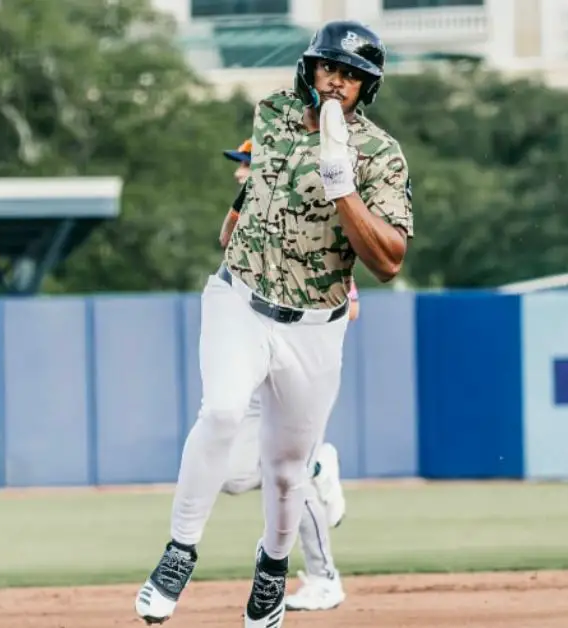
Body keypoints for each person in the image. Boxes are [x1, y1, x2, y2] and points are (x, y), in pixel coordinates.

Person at [134, 19, 412, 628]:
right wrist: (234, 222)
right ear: (310, 70)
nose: (335, 82)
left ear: (368, 87)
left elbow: (390, 259)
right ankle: (179, 552)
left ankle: (274, 567)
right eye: (327, 69)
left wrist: (345, 190)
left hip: (314, 326)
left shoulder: (380, 155)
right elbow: (248, 200)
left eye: (350, 75)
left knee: (287, 471)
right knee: (222, 411)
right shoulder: (273, 113)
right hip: (239, 297)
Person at [217, 137, 353, 612]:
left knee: (287, 476)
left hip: (298, 366)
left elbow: (346, 303)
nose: (239, 172)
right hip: (252, 367)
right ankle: (317, 464)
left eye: (247, 164)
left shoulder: (311, 224)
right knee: (233, 477)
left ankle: (324, 578)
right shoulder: (254, 225)